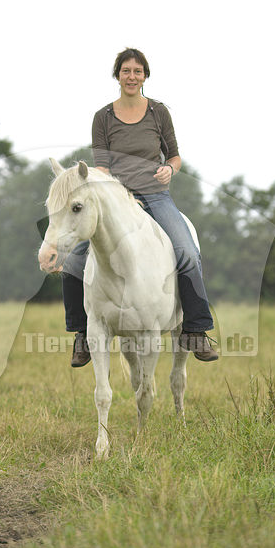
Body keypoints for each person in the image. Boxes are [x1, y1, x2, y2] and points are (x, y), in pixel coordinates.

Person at [62, 47, 218, 366]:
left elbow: (174, 155)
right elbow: (102, 165)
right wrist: (104, 185)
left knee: (188, 252)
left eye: (138, 71)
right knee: (73, 263)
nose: (132, 77)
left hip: (156, 196)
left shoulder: (158, 112)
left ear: (145, 75)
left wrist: (170, 169)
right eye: (126, 71)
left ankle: (196, 330)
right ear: (117, 75)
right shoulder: (102, 117)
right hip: (118, 200)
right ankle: (82, 335)